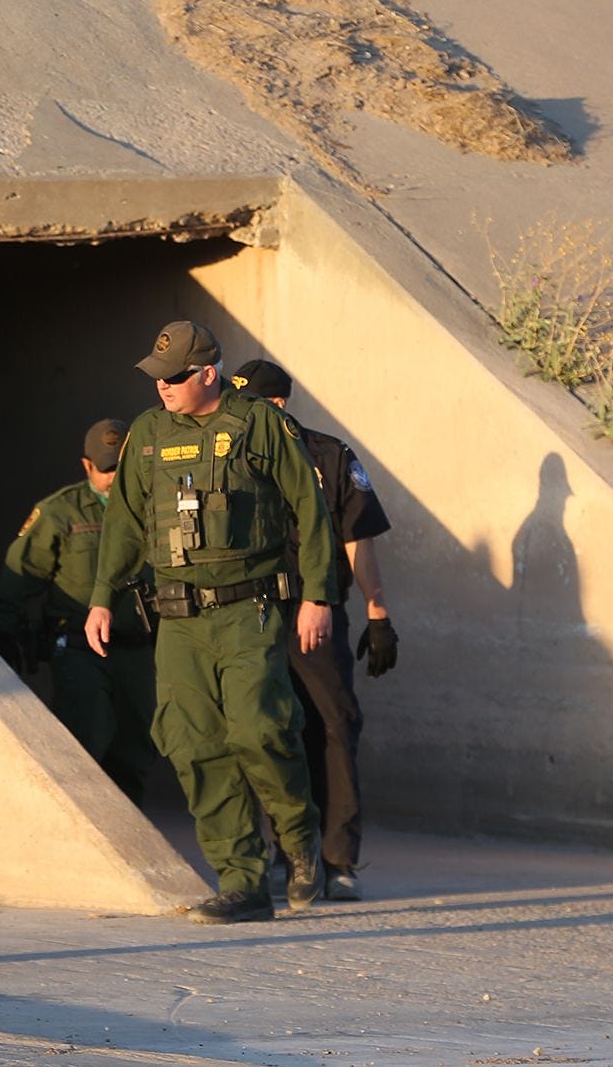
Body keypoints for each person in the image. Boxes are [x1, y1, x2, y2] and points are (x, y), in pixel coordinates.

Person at [83, 320, 339, 924]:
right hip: (178, 618)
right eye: (156, 377)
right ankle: (242, 880)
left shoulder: (260, 423)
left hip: (249, 610)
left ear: (208, 373)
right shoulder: (147, 434)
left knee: (259, 731)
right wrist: (101, 596)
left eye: (174, 377)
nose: (162, 387)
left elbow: (310, 504)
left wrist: (319, 594)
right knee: (193, 745)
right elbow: (124, 521)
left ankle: (299, 838)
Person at [230, 359, 398, 902]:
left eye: (250, 403)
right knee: (269, 731)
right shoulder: (228, 456)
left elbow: (358, 538)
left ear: (276, 405)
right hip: (253, 612)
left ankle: (338, 859)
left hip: (316, 609)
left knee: (333, 725)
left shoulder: (329, 455)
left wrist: (378, 614)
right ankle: (288, 852)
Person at [0, 418, 158, 804]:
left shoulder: (155, 507)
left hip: (137, 648)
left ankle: (131, 843)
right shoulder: (59, 512)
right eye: (106, 469)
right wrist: (7, 633)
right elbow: (21, 574)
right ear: (86, 466)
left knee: (135, 749)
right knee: (86, 740)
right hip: (81, 648)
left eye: (122, 466)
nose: (115, 478)